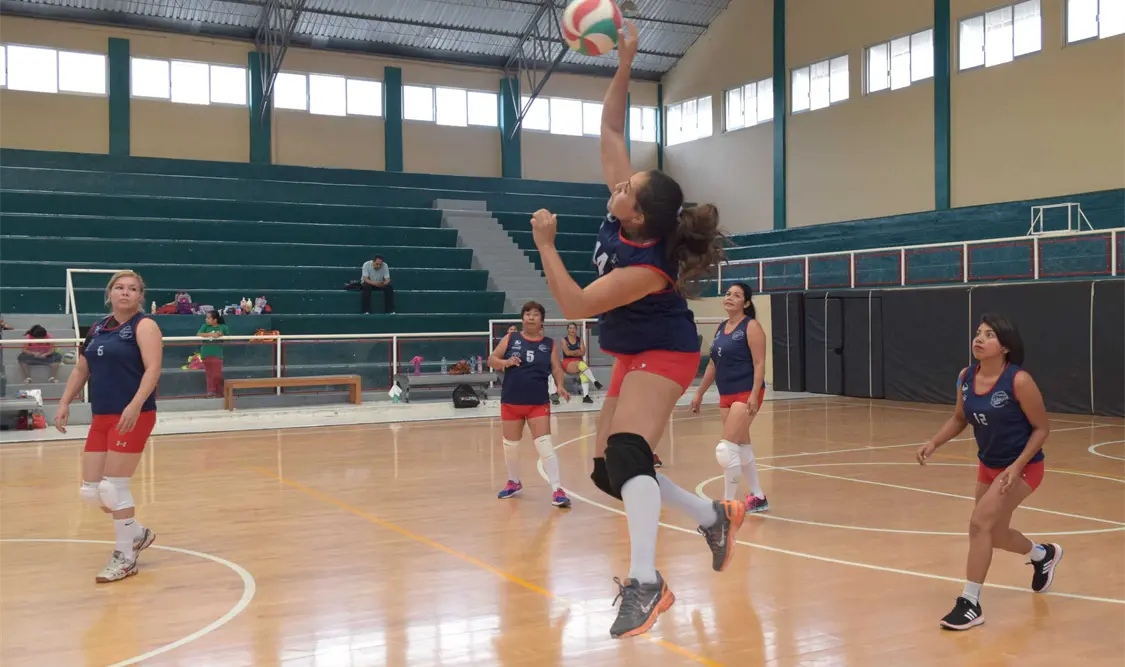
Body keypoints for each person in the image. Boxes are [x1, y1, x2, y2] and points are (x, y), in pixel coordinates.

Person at [530, 21, 745, 639]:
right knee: (608, 472)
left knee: (629, 455)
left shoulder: (648, 267)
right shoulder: (625, 217)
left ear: (640, 214)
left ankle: (646, 583)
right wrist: (625, 60)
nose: (618, 185)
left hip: (666, 352)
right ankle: (712, 516)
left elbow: (575, 303)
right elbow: (610, 129)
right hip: (632, 352)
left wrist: (546, 244)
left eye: (626, 188)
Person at [916, 313, 1062, 631]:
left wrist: (1017, 466)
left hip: (1023, 468)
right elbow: (960, 417)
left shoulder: (1019, 381)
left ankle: (970, 603)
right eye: (978, 333)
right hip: (989, 465)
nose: (979, 339)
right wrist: (934, 442)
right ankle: (1042, 555)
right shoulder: (966, 375)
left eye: (989, 335)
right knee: (993, 534)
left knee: (979, 524)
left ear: (1005, 346)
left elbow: (1042, 429)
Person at [55, 270, 163, 583]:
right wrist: (64, 402)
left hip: (133, 415)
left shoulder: (145, 326)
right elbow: (82, 369)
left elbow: (153, 369)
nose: (125, 292)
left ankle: (125, 557)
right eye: (119, 287)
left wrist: (135, 404)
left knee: (113, 487)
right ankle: (137, 533)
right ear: (110, 293)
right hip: (101, 416)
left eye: (132, 289)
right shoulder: (98, 328)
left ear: (140, 296)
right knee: (91, 492)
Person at [690, 283, 769, 512]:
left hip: (746, 392)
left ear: (746, 303)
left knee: (726, 449)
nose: (730, 297)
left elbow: (759, 363)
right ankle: (758, 496)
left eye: (736, 295)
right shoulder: (721, 327)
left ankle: (727, 504)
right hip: (726, 393)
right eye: (728, 294)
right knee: (741, 447)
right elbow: (713, 364)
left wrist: (754, 394)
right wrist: (699, 392)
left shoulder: (751, 326)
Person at [489, 301, 572, 508]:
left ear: (542, 320)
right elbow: (491, 359)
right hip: (511, 401)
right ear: (522, 318)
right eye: (527, 313)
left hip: (537, 403)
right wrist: (505, 363)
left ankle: (557, 489)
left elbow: (556, 368)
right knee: (511, 446)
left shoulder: (550, 344)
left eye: (535, 314)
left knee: (544, 445)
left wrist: (560, 385)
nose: (531, 317)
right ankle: (514, 482)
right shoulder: (511, 338)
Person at [559, 322, 602, 404]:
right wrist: (577, 351)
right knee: (582, 365)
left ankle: (586, 396)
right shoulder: (564, 340)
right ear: (567, 330)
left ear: (576, 329)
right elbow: (567, 353)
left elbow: (583, 353)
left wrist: (573, 352)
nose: (572, 330)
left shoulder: (580, 339)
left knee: (583, 373)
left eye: (574, 328)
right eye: (570, 328)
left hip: (579, 362)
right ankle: (594, 381)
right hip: (567, 362)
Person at [197, 310, 229, 398]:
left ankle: (220, 392)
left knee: (217, 374)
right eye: (206, 318)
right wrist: (210, 334)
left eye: (208, 318)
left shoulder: (223, 326)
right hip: (206, 354)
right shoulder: (204, 326)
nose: (206, 320)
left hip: (217, 354)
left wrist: (219, 334)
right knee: (209, 374)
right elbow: (199, 334)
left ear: (215, 320)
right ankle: (211, 392)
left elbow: (224, 333)